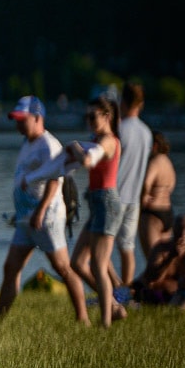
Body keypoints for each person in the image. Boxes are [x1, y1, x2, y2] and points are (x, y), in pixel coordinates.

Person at [0, 96, 90, 324]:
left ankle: (83, 319)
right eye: (16, 120)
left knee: (63, 268)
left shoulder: (49, 144)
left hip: (46, 219)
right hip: (26, 220)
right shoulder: (28, 143)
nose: (18, 124)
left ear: (37, 118)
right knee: (10, 267)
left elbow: (55, 179)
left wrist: (40, 209)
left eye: (22, 119)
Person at [68, 95, 126, 327]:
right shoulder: (96, 139)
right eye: (87, 116)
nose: (89, 121)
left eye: (93, 116)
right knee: (78, 263)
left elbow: (89, 162)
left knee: (98, 266)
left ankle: (106, 323)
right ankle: (113, 306)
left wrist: (74, 146)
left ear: (107, 116)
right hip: (96, 203)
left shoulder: (108, 141)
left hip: (107, 204)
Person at [114, 83, 152, 289]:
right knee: (127, 247)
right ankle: (125, 293)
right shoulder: (147, 133)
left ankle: (109, 292)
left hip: (114, 195)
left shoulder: (119, 129)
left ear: (123, 102)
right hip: (134, 198)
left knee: (101, 248)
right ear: (141, 104)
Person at [129, 214, 185, 306]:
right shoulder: (161, 248)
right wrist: (171, 257)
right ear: (173, 230)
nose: (183, 235)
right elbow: (151, 278)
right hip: (159, 293)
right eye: (179, 229)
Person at [140, 131, 176, 257]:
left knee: (153, 260)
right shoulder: (168, 162)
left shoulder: (154, 161)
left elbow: (146, 182)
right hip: (167, 212)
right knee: (165, 259)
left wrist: (144, 197)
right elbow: (171, 186)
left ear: (154, 145)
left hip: (152, 213)